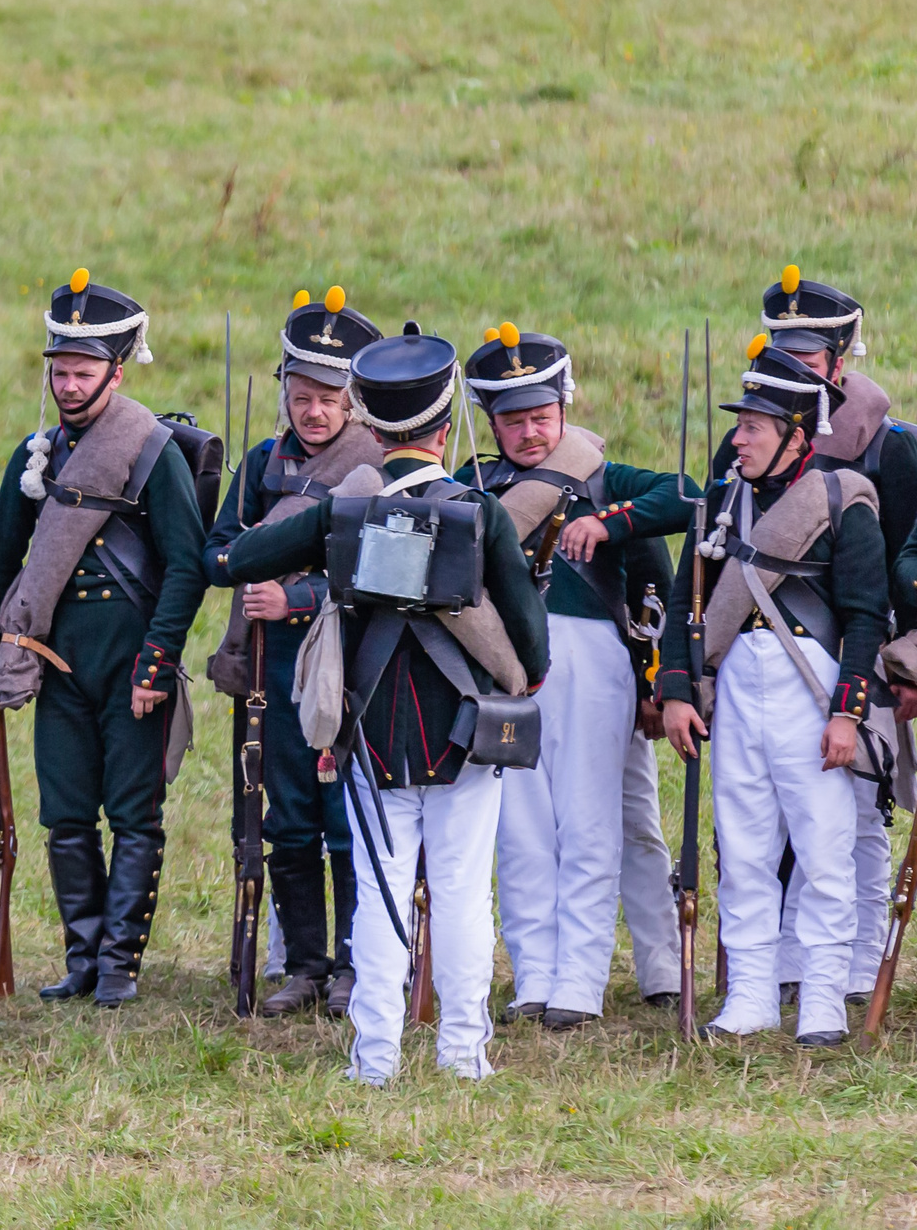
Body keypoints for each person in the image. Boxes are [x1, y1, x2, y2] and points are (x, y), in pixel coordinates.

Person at [224, 326, 548, 1083]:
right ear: (444, 427)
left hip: (370, 730)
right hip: (463, 731)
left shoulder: (346, 511)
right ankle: (464, 1053)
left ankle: (375, 1057)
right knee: (465, 893)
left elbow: (240, 559)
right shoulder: (479, 510)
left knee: (379, 894)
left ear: (368, 423)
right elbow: (531, 649)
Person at [456, 324, 694, 1029]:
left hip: (592, 665)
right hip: (505, 665)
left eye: (541, 416)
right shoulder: (476, 490)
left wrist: (615, 521)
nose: (530, 433)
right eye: (513, 420)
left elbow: (689, 497)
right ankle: (534, 975)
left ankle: (581, 983)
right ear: (489, 421)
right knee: (523, 830)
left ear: (563, 407)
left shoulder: (602, 479)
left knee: (592, 824)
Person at [660, 337, 888, 1045]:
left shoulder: (841, 499)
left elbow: (862, 615)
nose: (740, 437)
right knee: (745, 848)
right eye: (740, 424)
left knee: (823, 852)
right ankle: (752, 995)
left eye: (755, 426)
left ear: (796, 434)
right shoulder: (722, 504)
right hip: (736, 691)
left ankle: (821, 998)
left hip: (808, 687)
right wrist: (674, 690)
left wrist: (846, 713)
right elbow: (682, 606)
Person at [0, 272, 208, 1009]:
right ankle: (81, 957)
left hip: (130, 668)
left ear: (116, 372)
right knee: (66, 815)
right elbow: (2, 562)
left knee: (135, 815)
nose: (69, 385)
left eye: (83, 372)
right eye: (60, 371)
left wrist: (158, 661)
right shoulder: (35, 455)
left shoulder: (151, 453)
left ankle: (120, 963)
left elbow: (187, 564)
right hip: (58, 666)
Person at [204, 286, 383, 1016]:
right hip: (270, 667)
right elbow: (217, 555)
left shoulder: (373, 463)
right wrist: (254, 564)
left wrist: (296, 595)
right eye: (302, 394)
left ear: (353, 401)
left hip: (342, 659)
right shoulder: (259, 464)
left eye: (328, 397)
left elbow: (378, 570)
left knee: (344, 817)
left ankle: (351, 966)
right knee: (286, 819)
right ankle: (305, 966)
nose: (314, 410)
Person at [740, 271, 917, 1004]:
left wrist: (903, 667)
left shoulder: (889, 447)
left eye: (809, 355)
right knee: (774, 821)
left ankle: (850, 962)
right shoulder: (751, 436)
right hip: (778, 654)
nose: (794, 363)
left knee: (862, 812)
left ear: (840, 360)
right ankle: (780, 964)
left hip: (868, 651)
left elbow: (905, 561)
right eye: (783, 348)